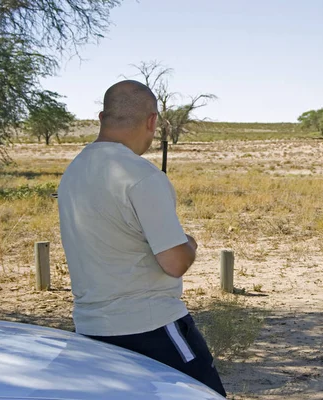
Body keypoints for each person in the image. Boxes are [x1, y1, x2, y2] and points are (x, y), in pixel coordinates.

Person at [57, 80, 226, 398]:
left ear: (101, 118)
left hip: (91, 330)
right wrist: (189, 243)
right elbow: (174, 262)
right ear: (152, 122)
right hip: (152, 328)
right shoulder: (142, 176)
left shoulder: (73, 173)